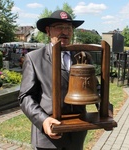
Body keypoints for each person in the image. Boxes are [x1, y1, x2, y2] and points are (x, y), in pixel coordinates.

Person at [18, 10, 87, 150]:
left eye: (68, 28)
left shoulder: (82, 57)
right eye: (59, 27)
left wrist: (106, 110)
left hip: (76, 135)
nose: (65, 32)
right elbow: (26, 97)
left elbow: (93, 87)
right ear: (48, 31)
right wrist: (43, 120)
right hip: (48, 137)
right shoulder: (34, 58)